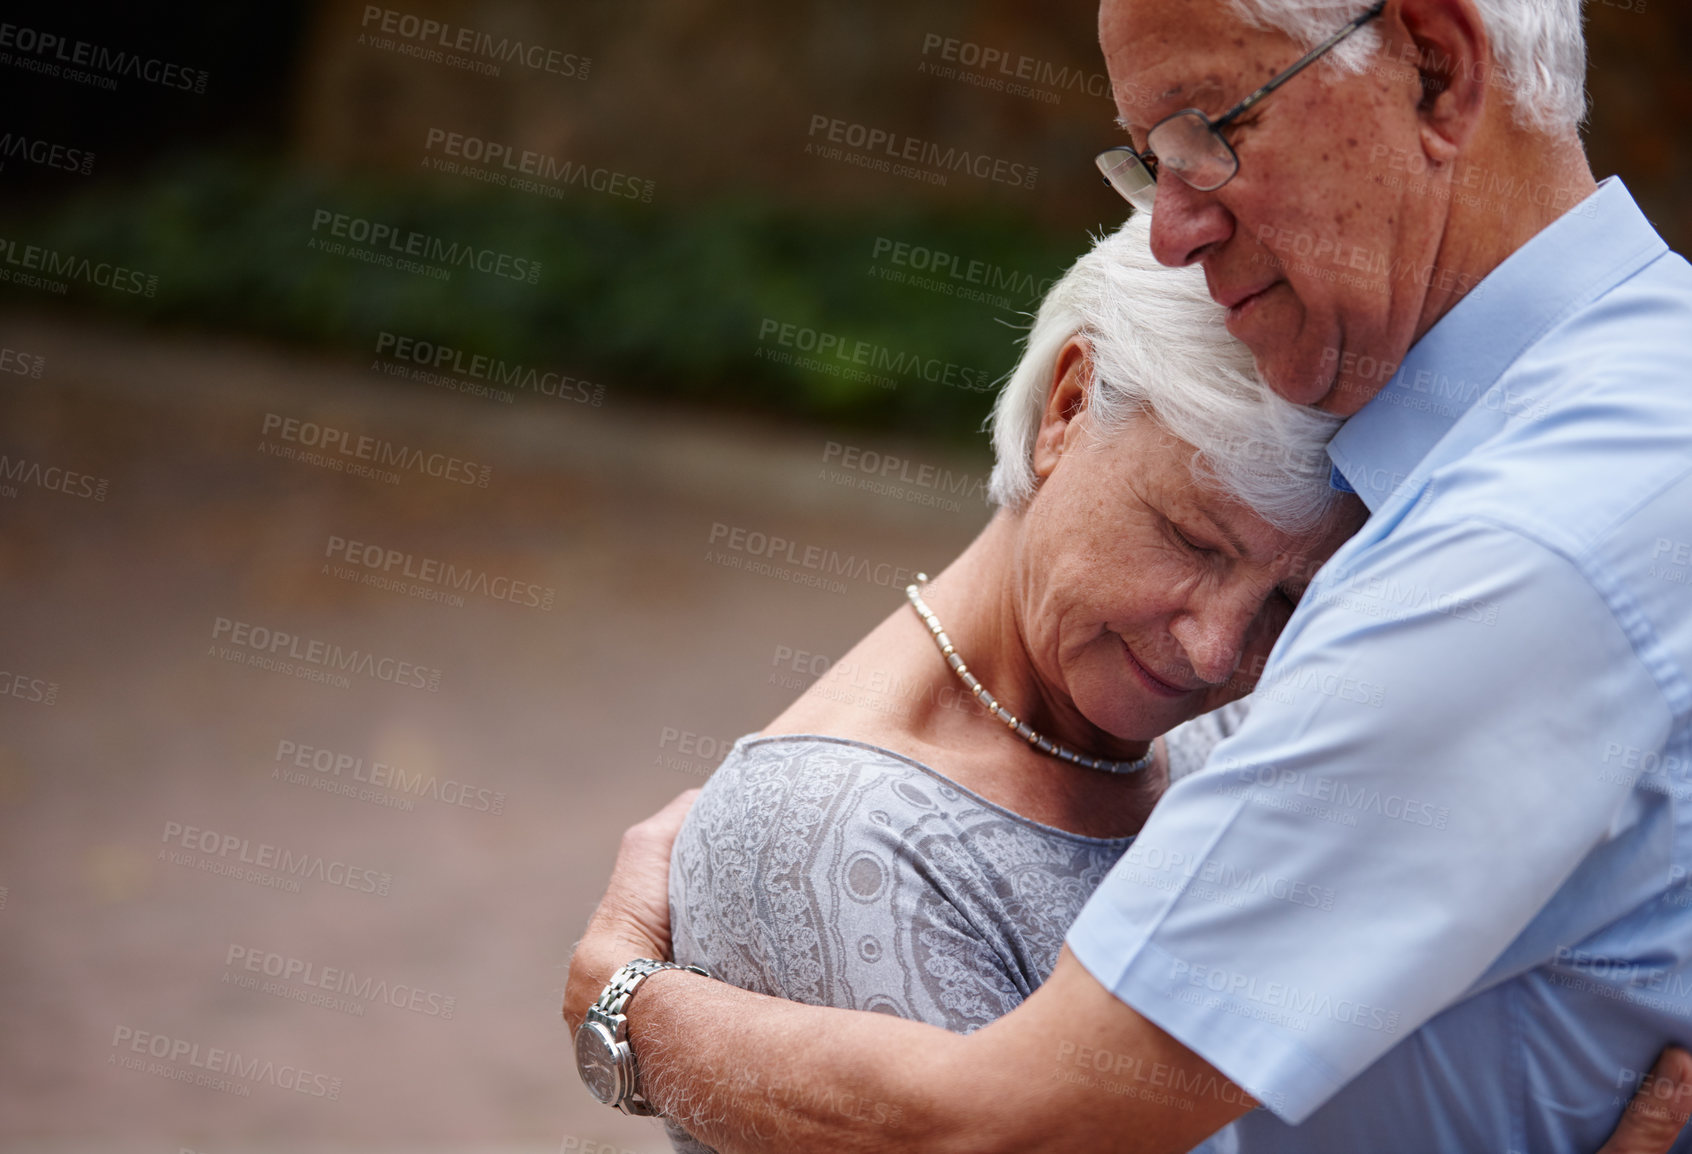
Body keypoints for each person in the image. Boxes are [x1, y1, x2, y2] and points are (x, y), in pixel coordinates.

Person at [565, 0, 1692, 1150]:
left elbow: (997, 1121)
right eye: (1152, 158)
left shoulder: (1501, 547)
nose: (1171, 227)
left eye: (1210, 128)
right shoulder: (1633, 392)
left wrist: (622, 1010)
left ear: (1434, 68)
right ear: (1065, 409)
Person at [662, 220, 1360, 1151]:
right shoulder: (827, 828)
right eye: (1193, 541)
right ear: (1068, 408)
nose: (1216, 651)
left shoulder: (1256, 725)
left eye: (1289, 599)